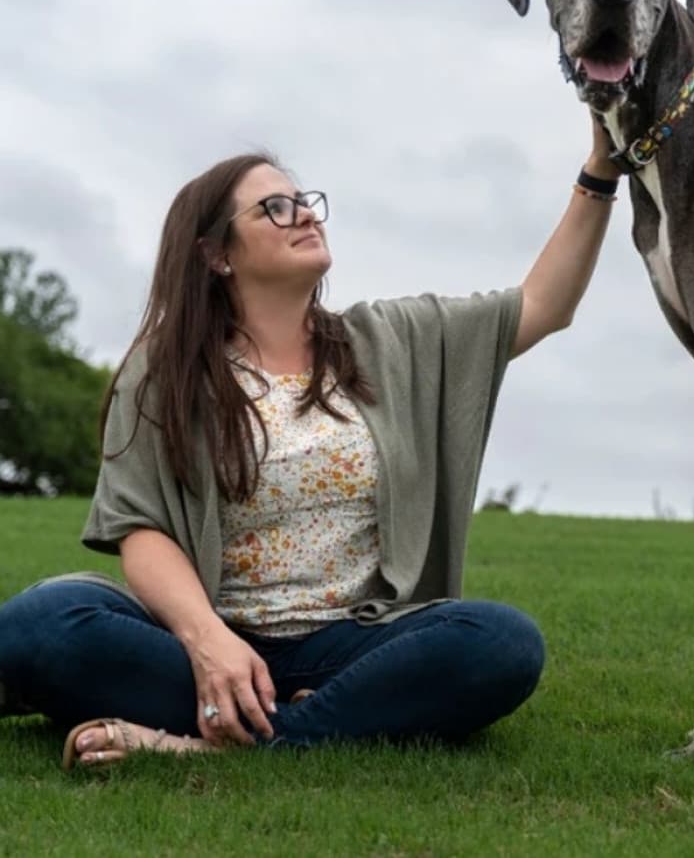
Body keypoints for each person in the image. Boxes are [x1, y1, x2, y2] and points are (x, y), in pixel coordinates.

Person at [0, 119, 623, 767]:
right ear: (216, 254)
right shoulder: (166, 370)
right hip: (204, 642)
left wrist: (600, 170)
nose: (303, 214)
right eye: (274, 207)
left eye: (304, 201)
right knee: (40, 623)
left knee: (501, 642)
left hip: (352, 646)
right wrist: (209, 642)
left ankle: (215, 744)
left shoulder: (389, 340)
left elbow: (543, 305)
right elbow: (140, 530)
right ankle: (308, 717)